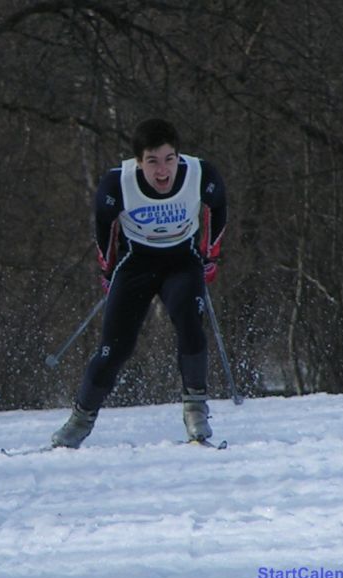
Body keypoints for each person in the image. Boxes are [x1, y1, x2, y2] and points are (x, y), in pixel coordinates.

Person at [51, 118, 227, 448]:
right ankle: (80, 420)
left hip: (182, 261)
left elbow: (218, 207)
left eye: (169, 159)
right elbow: (104, 225)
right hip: (136, 264)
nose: (163, 172)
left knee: (190, 322)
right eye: (152, 161)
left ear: (178, 156)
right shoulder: (118, 182)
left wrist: (211, 254)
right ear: (138, 161)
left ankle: (195, 410)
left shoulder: (201, 173)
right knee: (114, 348)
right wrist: (107, 269)